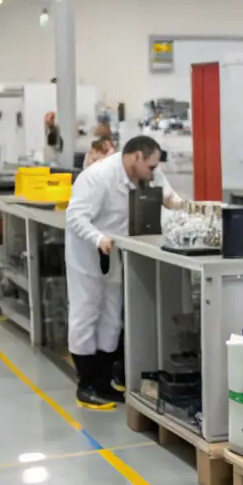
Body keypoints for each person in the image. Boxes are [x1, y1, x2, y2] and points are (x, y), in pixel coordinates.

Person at [64, 134, 183, 410]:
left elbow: (169, 197)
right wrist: (98, 239)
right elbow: (75, 216)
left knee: (111, 317)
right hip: (88, 253)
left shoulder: (148, 173)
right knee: (86, 313)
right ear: (137, 157)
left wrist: (184, 208)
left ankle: (104, 382)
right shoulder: (98, 177)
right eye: (151, 166)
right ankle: (86, 385)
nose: (153, 172)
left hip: (117, 251)